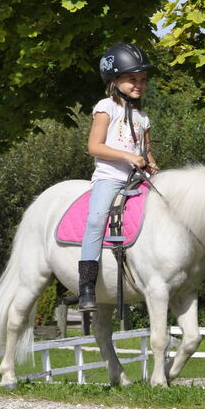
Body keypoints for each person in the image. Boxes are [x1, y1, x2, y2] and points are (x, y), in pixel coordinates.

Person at [78, 42, 158, 311]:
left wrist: (150, 163)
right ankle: (86, 286)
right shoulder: (105, 107)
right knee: (96, 220)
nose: (139, 84)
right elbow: (94, 147)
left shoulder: (143, 116)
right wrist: (128, 157)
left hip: (136, 181)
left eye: (143, 79)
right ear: (114, 80)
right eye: (132, 79)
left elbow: (146, 151)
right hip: (110, 177)